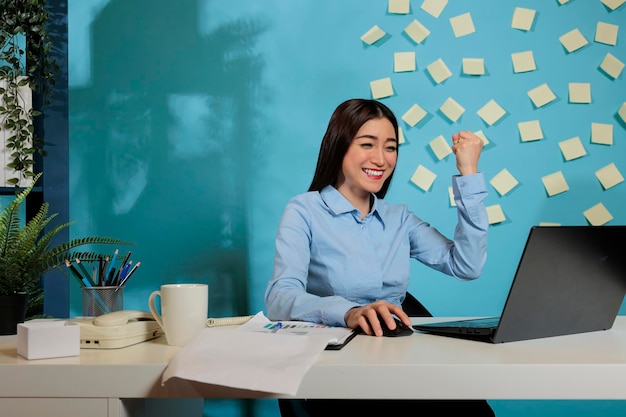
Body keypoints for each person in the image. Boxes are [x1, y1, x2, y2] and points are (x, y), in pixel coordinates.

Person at [265, 98, 494, 416]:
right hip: (339, 369)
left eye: (390, 147)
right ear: (339, 146)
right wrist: (349, 312)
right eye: (367, 144)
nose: (381, 158)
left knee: (475, 410)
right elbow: (279, 296)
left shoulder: (399, 218)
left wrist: (468, 173)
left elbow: (467, 265)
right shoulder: (304, 211)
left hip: (400, 360)